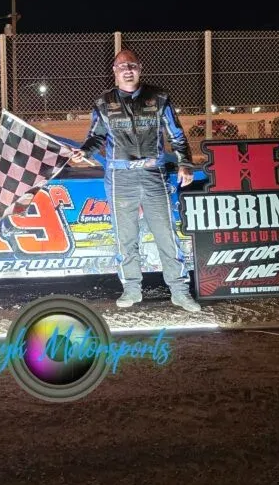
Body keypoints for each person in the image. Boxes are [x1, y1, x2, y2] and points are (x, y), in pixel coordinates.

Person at [70, 49, 201, 312]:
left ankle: (179, 291)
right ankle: (131, 288)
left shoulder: (159, 97)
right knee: (125, 237)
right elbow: (96, 137)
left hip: (154, 175)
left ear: (140, 68)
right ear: (114, 71)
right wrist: (84, 151)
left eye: (132, 65)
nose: (127, 70)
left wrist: (185, 163)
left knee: (166, 234)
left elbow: (176, 134)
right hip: (120, 177)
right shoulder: (103, 103)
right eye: (122, 66)